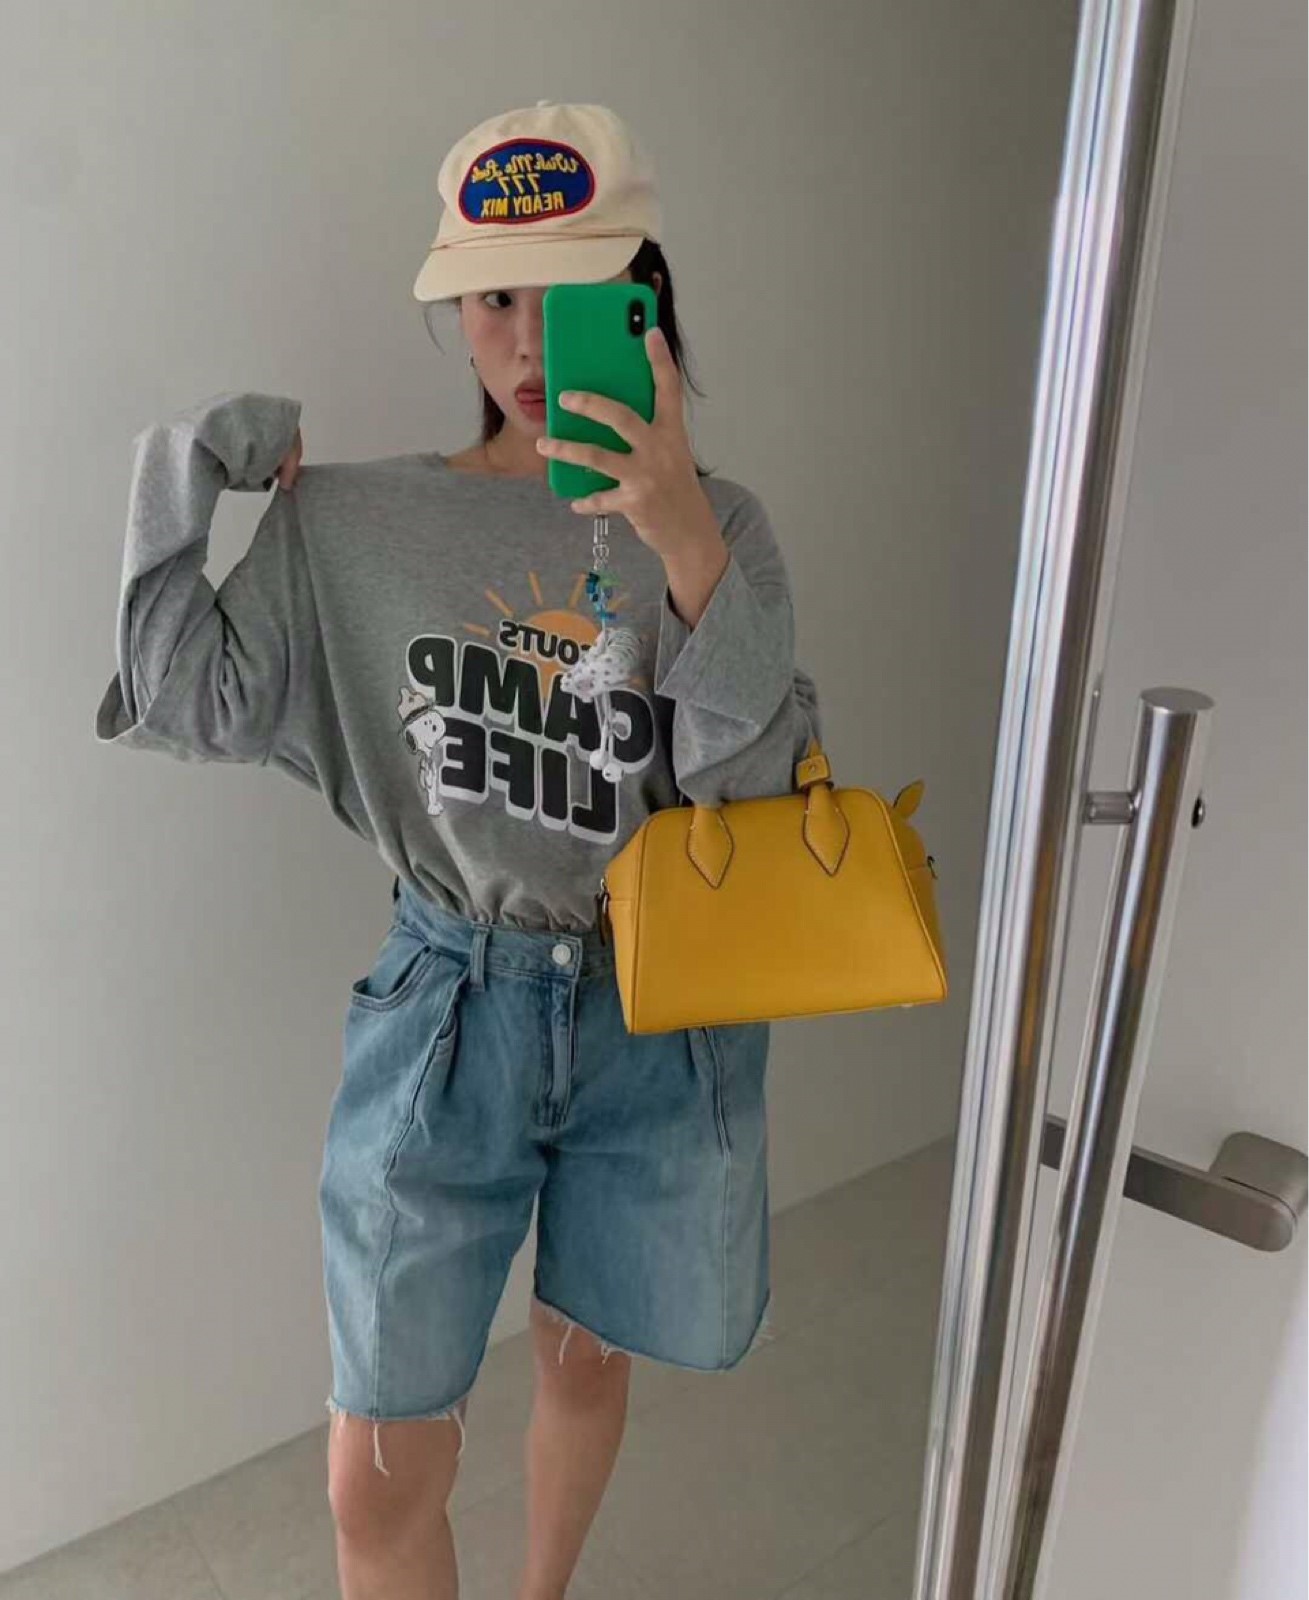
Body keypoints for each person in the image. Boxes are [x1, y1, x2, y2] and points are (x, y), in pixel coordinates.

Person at [95, 100, 823, 1600]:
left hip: (656, 1009)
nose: (530, 342)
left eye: (572, 295)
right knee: (373, 1472)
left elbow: (755, 795)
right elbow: (181, 697)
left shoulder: (724, 530)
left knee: (587, 1358)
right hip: (448, 1013)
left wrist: (683, 539)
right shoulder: (362, 524)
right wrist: (195, 464)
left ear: (642, 300)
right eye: (494, 299)